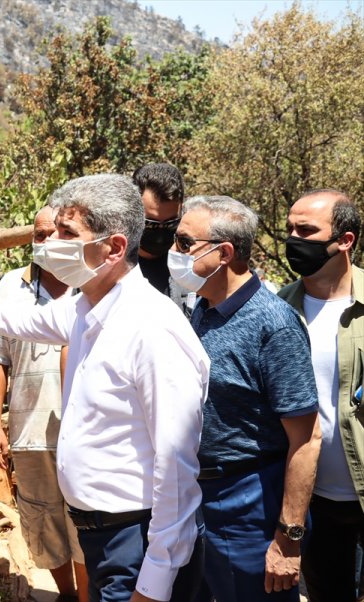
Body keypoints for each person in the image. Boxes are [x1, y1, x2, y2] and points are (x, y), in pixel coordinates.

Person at [0, 174, 209, 602]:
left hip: (135, 542)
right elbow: (13, 319)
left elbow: (175, 469)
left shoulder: (152, 329)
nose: (50, 245)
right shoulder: (85, 307)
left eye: (68, 233)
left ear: (114, 248)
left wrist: (154, 583)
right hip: (102, 537)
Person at [167, 196, 321, 602]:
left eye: (184, 243)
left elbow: (306, 440)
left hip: (249, 503)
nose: (173, 252)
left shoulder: (274, 325)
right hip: (197, 497)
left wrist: (288, 538)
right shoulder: (203, 308)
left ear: (225, 253)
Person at [0, 205, 87, 602]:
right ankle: (68, 596)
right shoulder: (11, 286)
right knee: (42, 519)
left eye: (52, 234)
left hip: (86, 433)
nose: (44, 242)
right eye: (37, 236)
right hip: (29, 431)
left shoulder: (91, 284)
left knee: (84, 520)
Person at [278, 189, 363, 602]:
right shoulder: (277, 309)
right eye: (289, 229)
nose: (293, 239)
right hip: (313, 505)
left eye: (306, 230)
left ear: (345, 240)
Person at [132, 162, 193, 313]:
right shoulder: (109, 265)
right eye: (151, 223)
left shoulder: (192, 264)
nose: (160, 233)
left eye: (170, 222)